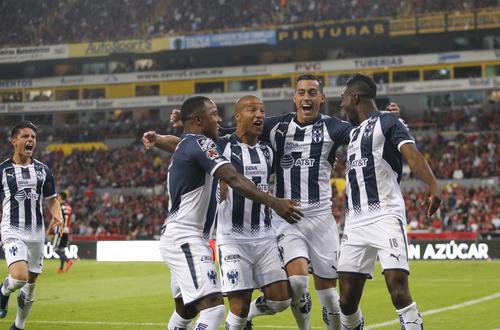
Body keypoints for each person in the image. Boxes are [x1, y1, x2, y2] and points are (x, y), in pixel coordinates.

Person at [152, 96, 302, 330]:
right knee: (214, 310)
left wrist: (165, 135)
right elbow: (232, 177)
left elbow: (183, 143)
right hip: (186, 238)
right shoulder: (201, 144)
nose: (219, 119)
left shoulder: (191, 142)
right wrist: (275, 203)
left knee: (185, 312)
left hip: (189, 237)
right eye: (214, 114)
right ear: (199, 120)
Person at [337, 74, 440, 330]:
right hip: (354, 222)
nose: (341, 105)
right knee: (346, 302)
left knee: (398, 291)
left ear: (355, 97)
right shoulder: (351, 134)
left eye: (343, 99)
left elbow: (412, 155)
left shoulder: (388, 121)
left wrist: (432, 183)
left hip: (384, 214)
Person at [0, 121, 64, 330]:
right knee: (19, 277)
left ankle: (18, 326)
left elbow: (52, 199)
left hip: (36, 233)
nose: (30, 140)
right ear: (14, 141)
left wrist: (58, 216)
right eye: (25, 136)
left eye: (33, 138)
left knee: (31, 282)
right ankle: (3, 292)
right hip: (12, 229)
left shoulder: (42, 170)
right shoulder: (3, 170)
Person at [54, 192, 74, 273]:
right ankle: (61, 268)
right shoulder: (69, 207)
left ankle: (68, 260)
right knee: (62, 249)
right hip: (67, 230)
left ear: (61, 197)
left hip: (61, 229)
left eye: (58, 196)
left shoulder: (59, 206)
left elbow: (57, 218)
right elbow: (71, 220)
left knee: (55, 248)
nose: (57, 198)